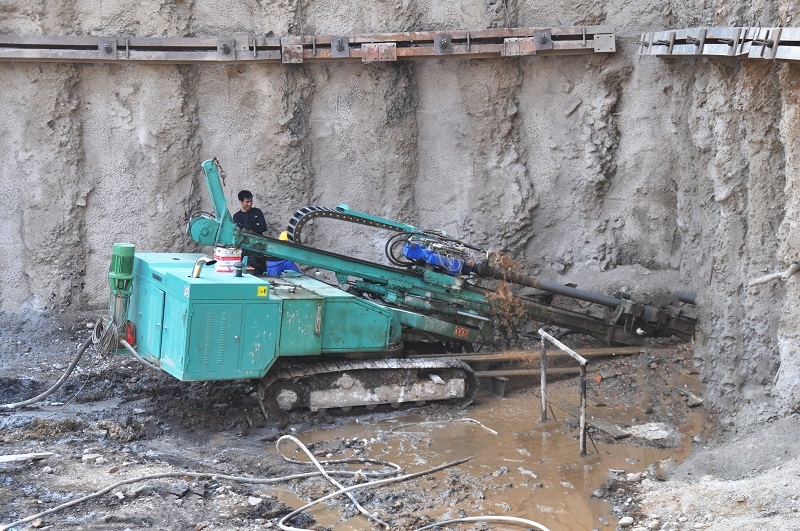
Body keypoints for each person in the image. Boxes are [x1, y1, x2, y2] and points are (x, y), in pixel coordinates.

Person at [233, 190, 268, 273]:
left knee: (261, 270)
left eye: (251, 201)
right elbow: (240, 232)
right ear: (241, 201)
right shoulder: (237, 217)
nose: (250, 204)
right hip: (246, 250)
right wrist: (254, 227)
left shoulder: (257, 212)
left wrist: (249, 229)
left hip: (259, 248)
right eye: (247, 202)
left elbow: (263, 227)